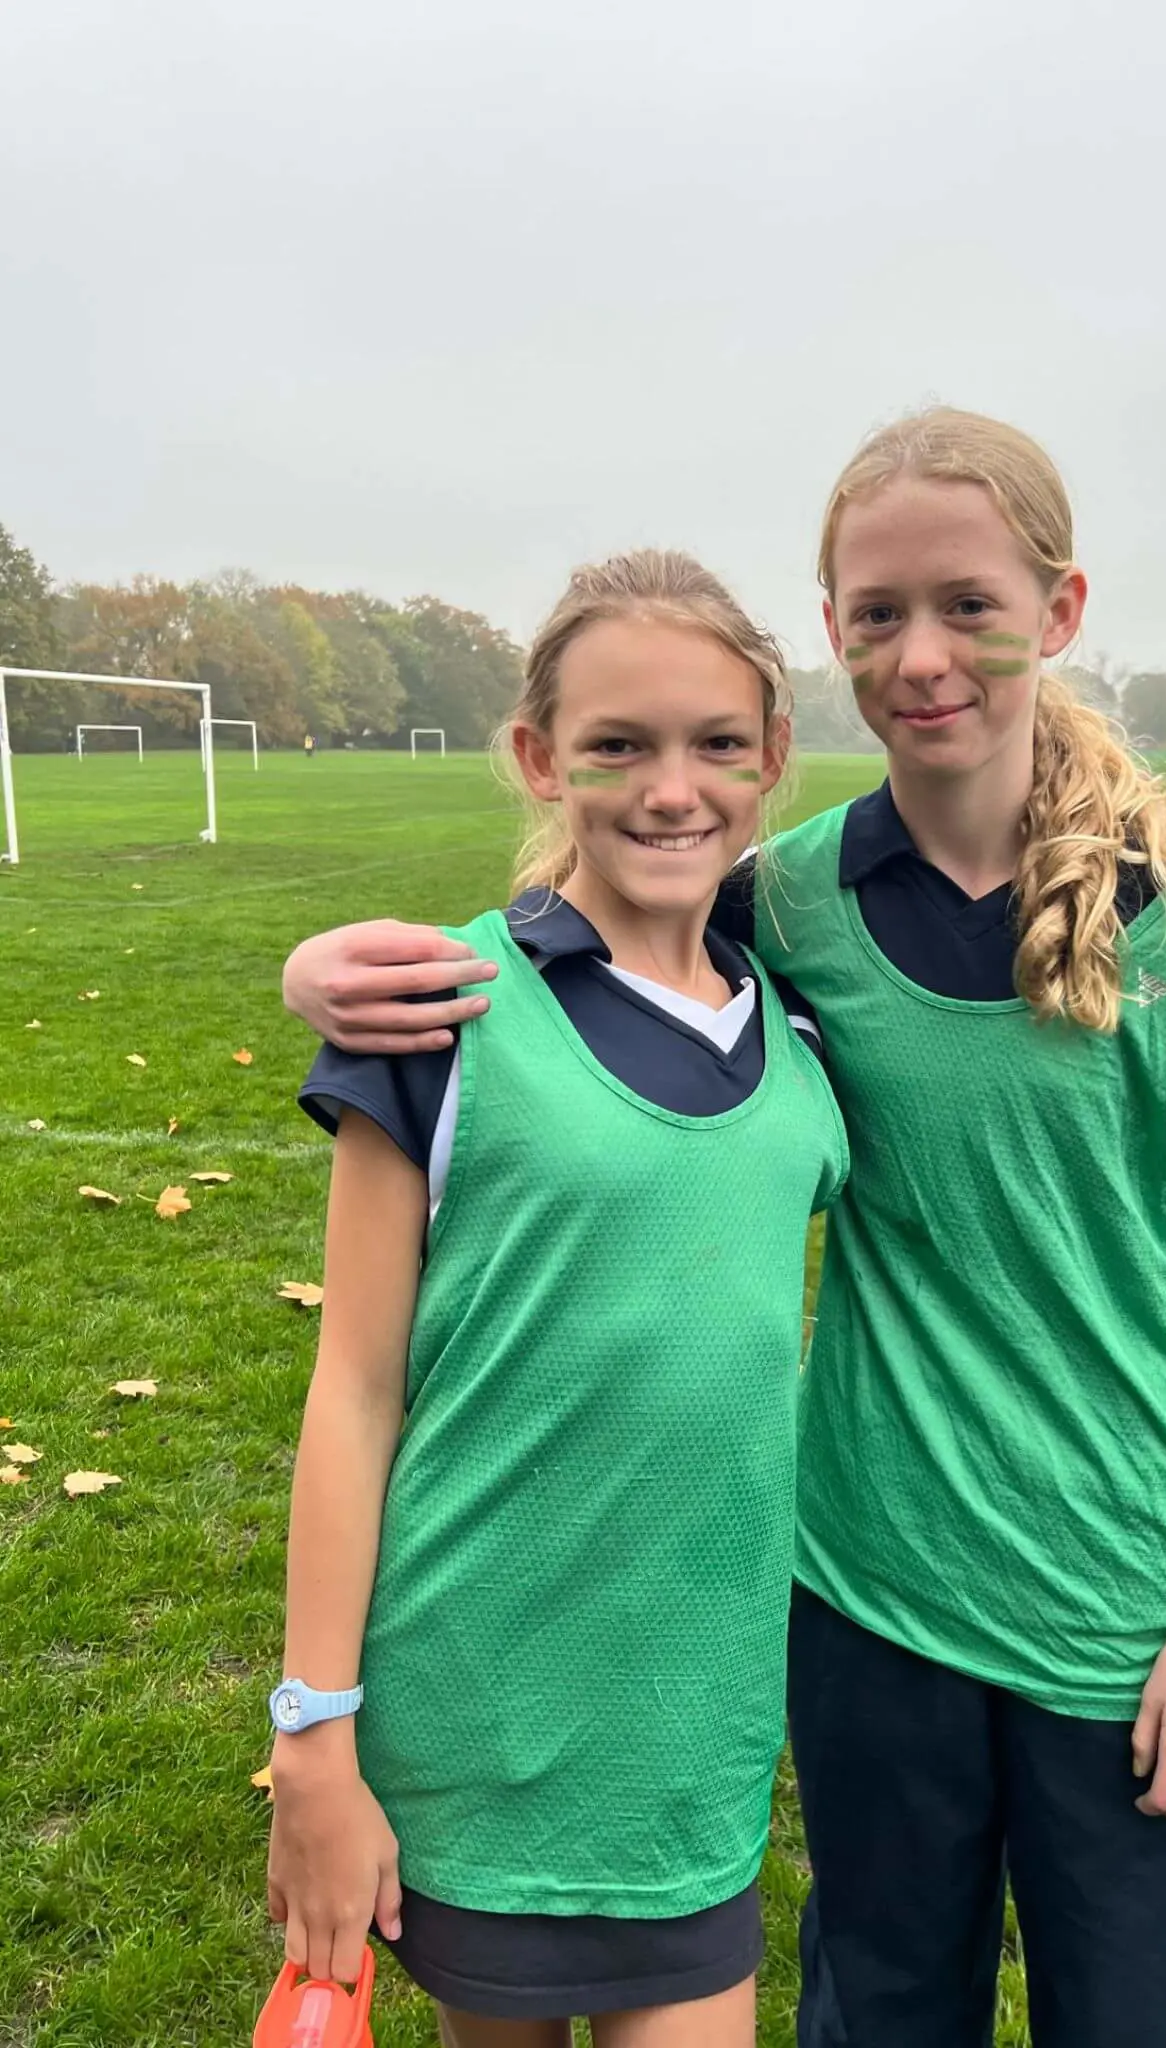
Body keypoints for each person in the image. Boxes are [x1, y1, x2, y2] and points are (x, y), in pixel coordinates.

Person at [282, 409, 1166, 2047]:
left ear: (1055, 613)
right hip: (868, 1599)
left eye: (968, 606)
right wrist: (320, 982)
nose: (922, 656)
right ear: (831, 638)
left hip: (1120, 1615)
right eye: (875, 615)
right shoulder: (794, 904)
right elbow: (603, 942)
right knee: (880, 2011)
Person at [266, 550, 846, 2048]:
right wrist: (314, 1737)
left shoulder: (799, 1021)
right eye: (618, 746)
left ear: (772, 758)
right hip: (478, 1716)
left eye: (718, 744)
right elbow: (355, 1390)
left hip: (692, 1747)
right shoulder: (438, 1009)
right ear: (538, 757)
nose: (673, 789)